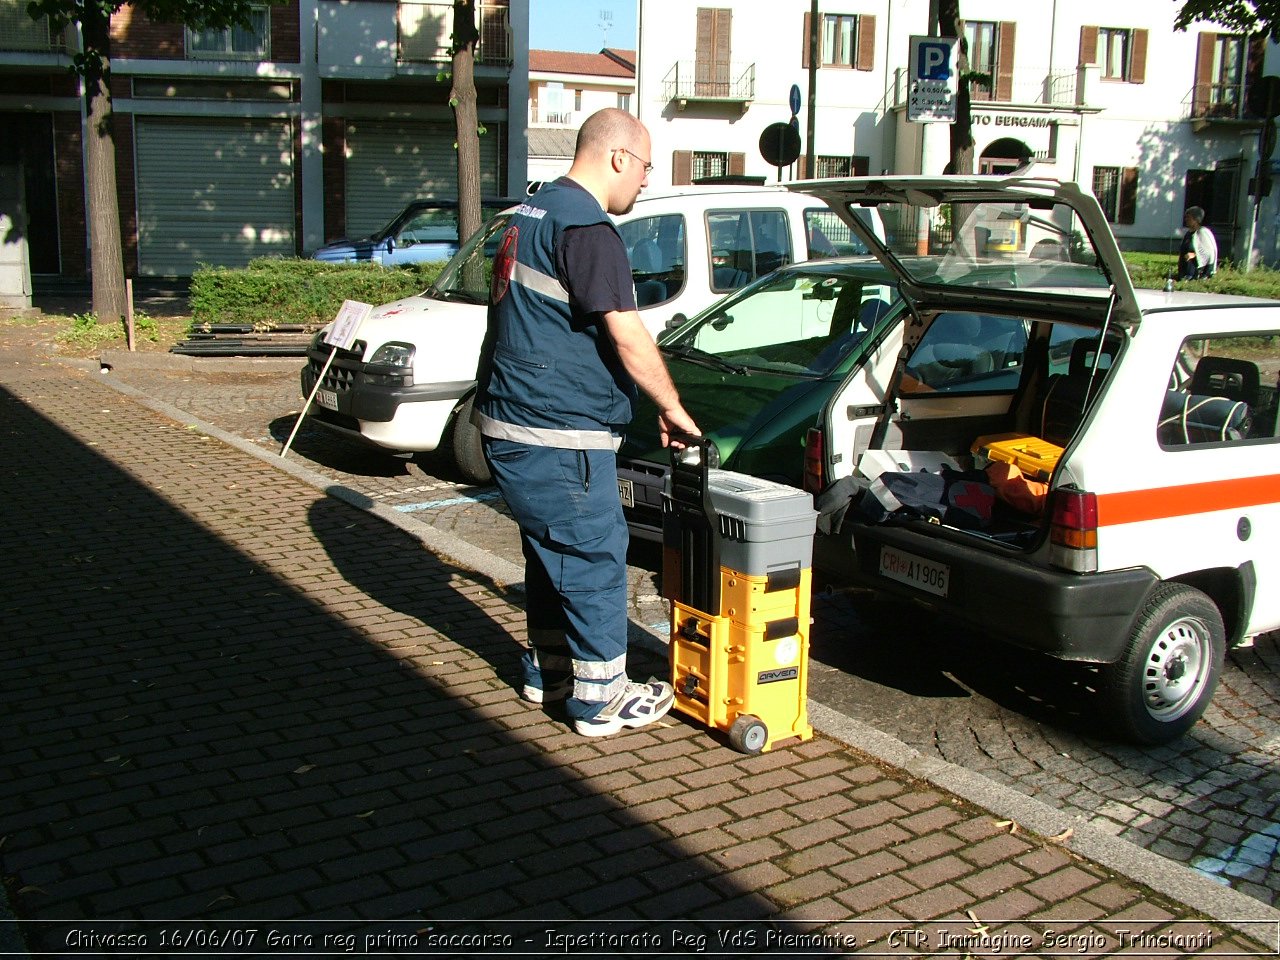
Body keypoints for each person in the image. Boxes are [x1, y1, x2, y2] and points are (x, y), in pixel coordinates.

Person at [471, 108, 700, 737]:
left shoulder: (531, 213)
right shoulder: (589, 229)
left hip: (512, 423)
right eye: (647, 166)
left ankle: (550, 671)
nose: (647, 180)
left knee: (551, 554)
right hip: (558, 431)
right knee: (594, 553)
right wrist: (674, 411)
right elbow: (629, 338)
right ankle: (601, 698)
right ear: (619, 157)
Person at [1179, 206, 1218, 280]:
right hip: (1185, 275)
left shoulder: (1203, 232)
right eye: (1186, 217)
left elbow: (1210, 253)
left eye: (1188, 217)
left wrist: (1194, 255)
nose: (1186, 219)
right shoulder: (1188, 234)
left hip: (1198, 275)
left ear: (1196, 219)